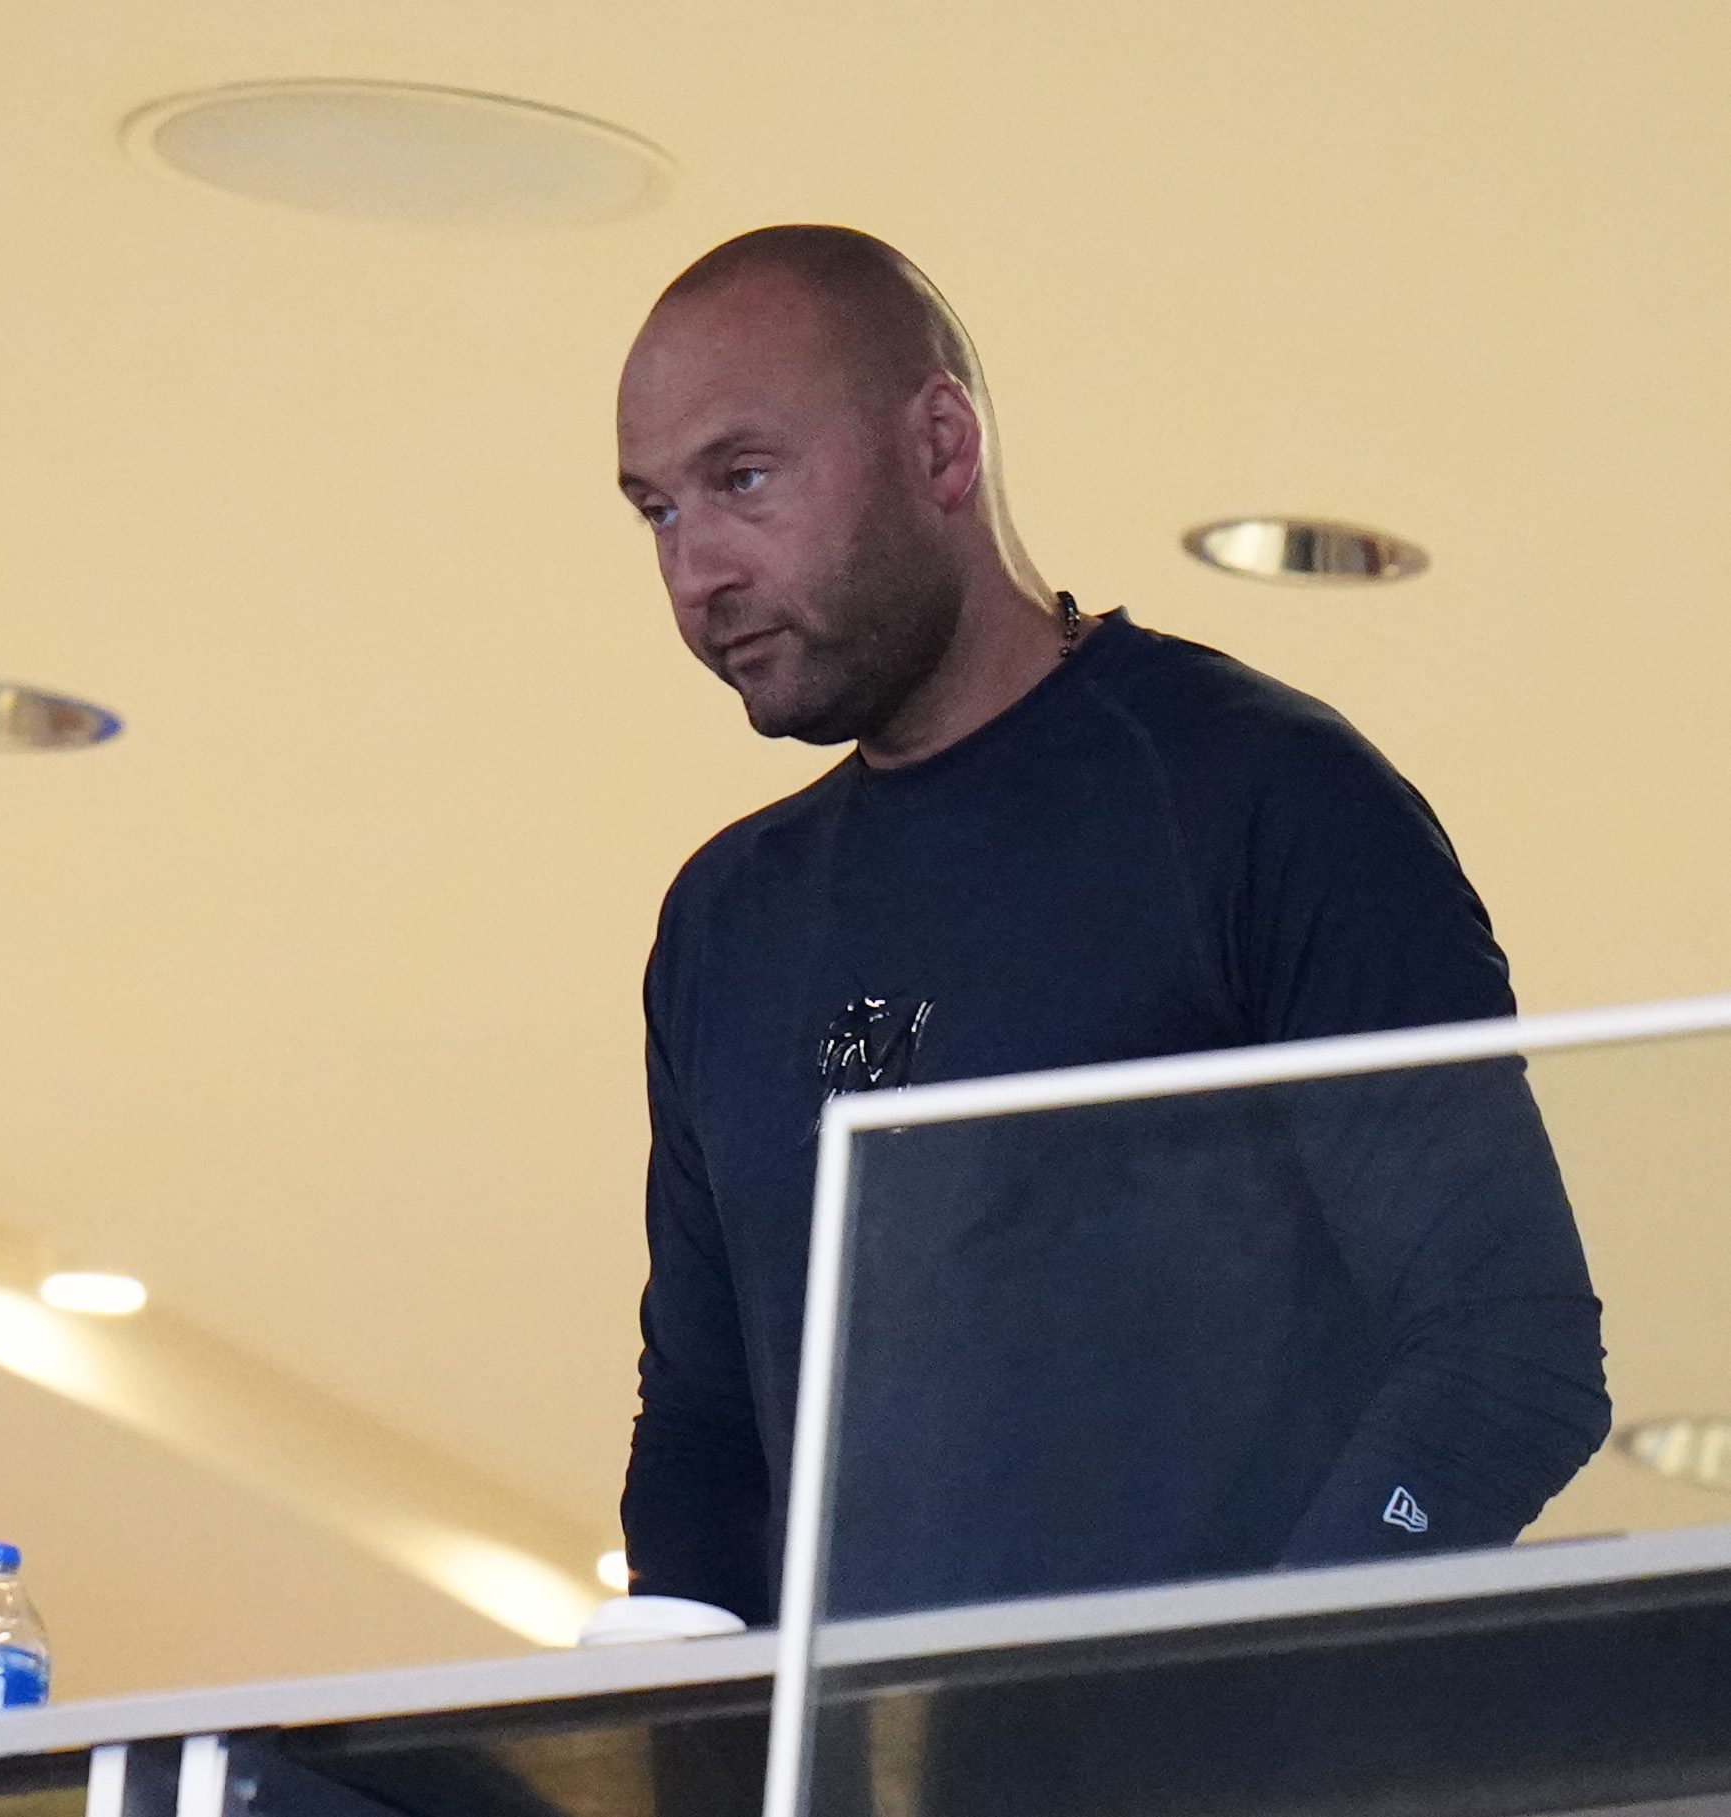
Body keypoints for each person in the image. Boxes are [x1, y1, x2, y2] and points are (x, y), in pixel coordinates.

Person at [609, 225, 1607, 1625]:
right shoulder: (723, 923)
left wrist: (1254, 1691)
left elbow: (1509, 1347)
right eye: (655, 511)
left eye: (743, 479)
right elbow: (707, 1433)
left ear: (940, 448)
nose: (694, 571)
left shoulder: (1260, 796)